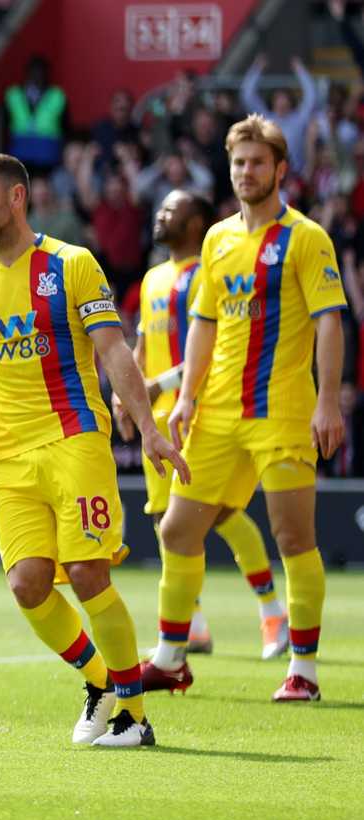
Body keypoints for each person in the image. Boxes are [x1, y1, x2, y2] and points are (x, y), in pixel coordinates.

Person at [0, 152, 188, 749]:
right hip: (10, 456)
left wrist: (148, 426)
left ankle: (134, 715)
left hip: (74, 437)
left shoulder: (71, 264)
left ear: (17, 197)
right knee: (27, 585)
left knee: (85, 573)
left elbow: (113, 349)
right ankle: (101, 683)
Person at [142, 116, 344, 702]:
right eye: (238, 163)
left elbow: (330, 321)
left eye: (257, 162)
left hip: (281, 409)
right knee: (178, 529)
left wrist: (327, 401)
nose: (246, 173)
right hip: (218, 413)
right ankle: (172, 658)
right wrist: (186, 396)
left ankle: (302, 669)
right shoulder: (218, 239)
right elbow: (204, 325)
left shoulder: (305, 237)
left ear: (280, 169)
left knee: (292, 536)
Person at [113, 189, 290, 661]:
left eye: (172, 209)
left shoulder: (203, 275)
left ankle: (273, 612)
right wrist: (127, 393)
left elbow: (213, 351)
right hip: (157, 419)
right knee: (161, 518)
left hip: (199, 414)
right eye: (161, 206)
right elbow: (145, 344)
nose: (161, 214)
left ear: (196, 224)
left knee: (223, 515)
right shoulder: (152, 279)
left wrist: (162, 387)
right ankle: (192, 626)